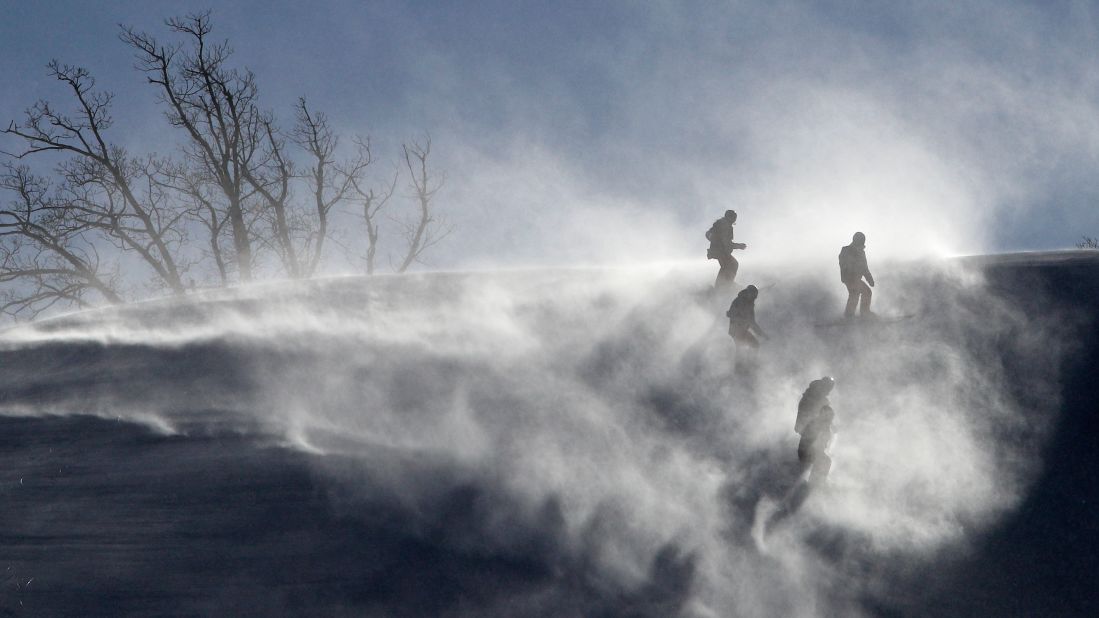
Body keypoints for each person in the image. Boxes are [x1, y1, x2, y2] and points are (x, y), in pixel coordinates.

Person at [706, 209, 747, 291]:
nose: (735, 219)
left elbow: (708, 234)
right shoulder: (725, 226)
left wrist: (713, 240)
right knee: (732, 265)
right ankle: (726, 286)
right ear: (729, 217)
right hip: (721, 252)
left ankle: (721, 286)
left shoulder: (721, 224)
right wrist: (739, 246)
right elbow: (726, 243)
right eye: (733, 217)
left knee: (726, 267)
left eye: (735, 217)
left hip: (719, 251)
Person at [838, 232, 875, 319]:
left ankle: (859, 313)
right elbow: (843, 263)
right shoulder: (846, 250)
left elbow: (864, 268)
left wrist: (870, 279)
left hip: (855, 279)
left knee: (862, 292)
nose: (860, 242)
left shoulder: (861, 252)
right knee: (856, 293)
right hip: (849, 278)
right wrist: (848, 273)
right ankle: (855, 314)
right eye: (859, 240)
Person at [798, 405, 835, 485]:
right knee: (825, 460)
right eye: (827, 415)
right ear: (821, 413)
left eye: (829, 416)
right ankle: (814, 483)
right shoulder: (816, 424)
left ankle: (817, 481)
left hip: (810, 450)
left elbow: (823, 444)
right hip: (805, 452)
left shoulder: (822, 425)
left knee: (825, 459)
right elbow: (812, 442)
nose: (828, 418)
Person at [727, 285, 766, 349]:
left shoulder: (749, 303)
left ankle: (749, 358)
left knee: (753, 345)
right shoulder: (740, 302)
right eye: (753, 295)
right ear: (749, 293)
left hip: (741, 330)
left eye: (755, 296)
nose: (755, 298)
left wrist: (761, 334)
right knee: (753, 345)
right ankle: (748, 358)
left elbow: (751, 321)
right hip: (737, 330)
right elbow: (732, 314)